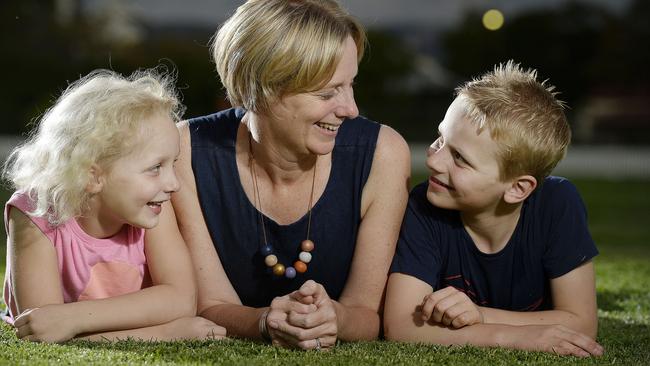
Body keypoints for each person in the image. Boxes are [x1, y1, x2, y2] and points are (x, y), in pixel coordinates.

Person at [156, 0, 410, 349]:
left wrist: (334, 317)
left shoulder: (383, 154)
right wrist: (264, 322)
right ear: (263, 90)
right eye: (327, 92)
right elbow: (208, 304)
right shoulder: (186, 150)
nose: (350, 109)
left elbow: (366, 312)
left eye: (350, 84)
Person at [384, 61, 604, 357]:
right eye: (440, 139)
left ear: (517, 188)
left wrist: (481, 315)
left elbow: (581, 323)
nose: (434, 162)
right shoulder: (424, 206)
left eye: (460, 158)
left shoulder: (557, 204)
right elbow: (400, 325)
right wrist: (511, 336)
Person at [2, 69, 226, 342]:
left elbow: (180, 299)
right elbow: (39, 329)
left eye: (173, 164)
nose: (173, 184)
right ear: (93, 176)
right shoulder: (34, 214)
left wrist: (71, 319)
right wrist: (164, 333)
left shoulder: (152, 207)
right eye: (155, 168)